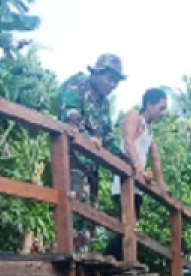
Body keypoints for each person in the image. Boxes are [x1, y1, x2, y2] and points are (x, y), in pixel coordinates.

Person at [60, 54, 125, 251]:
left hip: (91, 166)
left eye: (116, 81)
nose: (113, 84)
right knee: (74, 210)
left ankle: (83, 257)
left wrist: (124, 160)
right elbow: (69, 117)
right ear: (97, 73)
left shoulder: (104, 104)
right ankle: (70, 253)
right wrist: (88, 139)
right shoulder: (76, 85)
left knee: (89, 215)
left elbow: (107, 137)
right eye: (110, 78)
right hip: (71, 159)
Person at [105, 88, 169, 259]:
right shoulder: (134, 116)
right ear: (149, 104)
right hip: (125, 183)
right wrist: (139, 169)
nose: (162, 113)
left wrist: (161, 186)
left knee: (130, 228)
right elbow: (128, 142)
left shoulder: (149, 130)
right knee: (127, 227)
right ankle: (108, 258)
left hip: (137, 187)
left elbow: (155, 158)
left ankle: (117, 260)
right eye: (161, 108)